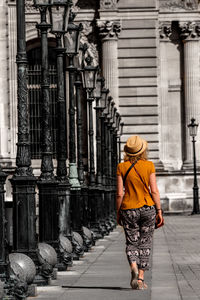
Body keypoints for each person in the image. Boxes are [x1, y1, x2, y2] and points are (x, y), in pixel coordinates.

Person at [116, 135, 163, 290]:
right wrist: (159, 211)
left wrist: (118, 212)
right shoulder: (149, 165)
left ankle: (134, 268)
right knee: (145, 242)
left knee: (131, 242)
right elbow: (154, 191)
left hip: (128, 209)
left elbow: (120, 194)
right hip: (147, 207)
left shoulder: (121, 167)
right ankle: (141, 278)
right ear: (143, 150)